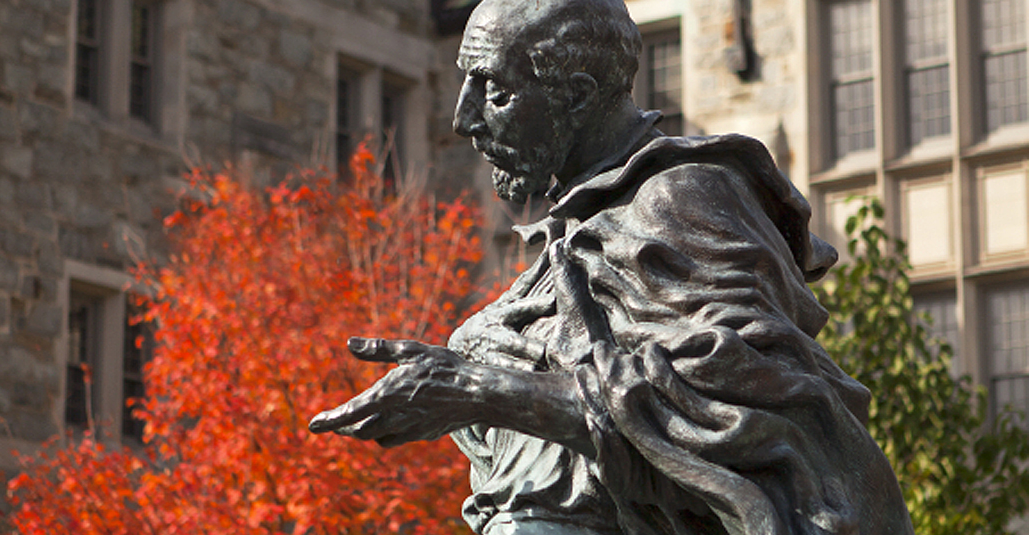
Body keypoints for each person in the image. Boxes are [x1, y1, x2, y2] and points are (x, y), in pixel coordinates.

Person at [309, 0, 916, 533]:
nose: (464, 119)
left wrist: (477, 389)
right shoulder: (569, 237)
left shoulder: (680, 199)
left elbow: (743, 412)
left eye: (494, 90)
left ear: (574, 95)